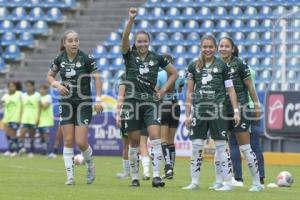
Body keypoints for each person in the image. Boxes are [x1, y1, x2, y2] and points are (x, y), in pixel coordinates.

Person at [121, 8, 178, 187]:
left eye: (145, 41)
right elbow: (124, 39)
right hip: (132, 102)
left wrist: (162, 91)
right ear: (135, 43)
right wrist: (131, 20)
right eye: (139, 41)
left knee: (155, 136)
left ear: (149, 42)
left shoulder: (157, 58)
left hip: (151, 102)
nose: (142, 44)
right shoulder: (129, 56)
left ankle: (156, 176)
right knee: (135, 140)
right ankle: (135, 177)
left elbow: (174, 73)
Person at [182, 34, 240, 191]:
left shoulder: (223, 66)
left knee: (221, 146)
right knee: (196, 146)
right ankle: (194, 181)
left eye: (210, 47)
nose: (207, 49)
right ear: (201, 48)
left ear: (215, 48)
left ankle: (228, 182)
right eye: (204, 47)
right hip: (199, 111)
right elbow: (189, 92)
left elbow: (230, 89)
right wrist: (187, 115)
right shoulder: (193, 66)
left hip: (218, 110)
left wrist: (236, 111)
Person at [47, 30, 103, 185]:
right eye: (70, 41)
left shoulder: (86, 58)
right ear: (64, 43)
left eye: (76, 40)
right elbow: (50, 76)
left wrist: (98, 99)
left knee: (81, 141)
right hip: (65, 103)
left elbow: (98, 79)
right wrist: (57, 85)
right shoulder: (59, 58)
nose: (74, 43)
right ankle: (70, 177)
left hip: (83, 104)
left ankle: (91, 165)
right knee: (68, 140)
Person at [221, 42, 265, 190]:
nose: (223, 49)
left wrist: (256, 104)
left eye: (226, 46)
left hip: (242, 108)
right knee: (223, 146)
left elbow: (250, 87)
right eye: (221, 46)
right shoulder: (217, 65)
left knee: (246, 147)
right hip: (224, 110)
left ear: (232, 49)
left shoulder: (240, 64)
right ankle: (229, 181)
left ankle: (257, 182)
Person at [156, 54, 185, 179]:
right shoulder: (179, 76)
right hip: (176, 107)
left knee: (163, 139)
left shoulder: (159, 75)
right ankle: (171, 170)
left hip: (165, 106)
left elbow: (157, 92)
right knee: (171, 141)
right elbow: (179, 91)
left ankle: (167, 167)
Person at [18, 80, 40, 157]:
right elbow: (21, 107)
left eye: (30, 86)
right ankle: (22, 148)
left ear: (33, 86)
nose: (29, 87)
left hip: (33, 119)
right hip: (24, 118)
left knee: (31, 136)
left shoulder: (37, 95)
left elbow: (39, 107)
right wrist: (20, 118)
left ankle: (31, 151)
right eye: (27, 86)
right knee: (21, 135)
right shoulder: (23, 95)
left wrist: (38, 118)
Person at [1, 82, 22, 157]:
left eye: (13, 86)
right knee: (8, 135)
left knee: (13, 134)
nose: (11, 88)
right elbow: (1, 103)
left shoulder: (19, 94)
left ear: (15, 87)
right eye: (10, 86)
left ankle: (15, 150)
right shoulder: (5, 96)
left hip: (15, 117)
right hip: (6, 118)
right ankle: (14, 150)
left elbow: (23, 104)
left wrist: (20, 117)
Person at [115, 72, 130, 179]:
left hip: (128, 112)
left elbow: (121, 97)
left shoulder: (124, 76)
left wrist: (118, 114)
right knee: (138, 144)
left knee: (127, 145)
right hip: (143, 111)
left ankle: (127, 172)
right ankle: (144, 172)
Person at [38, 83, 54, 155]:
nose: (41, 91)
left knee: (46, 136)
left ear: (46, 90)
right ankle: (44, 151)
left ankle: (49, 152)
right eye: (40, 89)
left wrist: (39, 101)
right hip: (40, 120)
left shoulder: (48, 97)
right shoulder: (39, 97)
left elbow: (45, 106)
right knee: (41, 137)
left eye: (43, 89)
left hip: (47, 120)